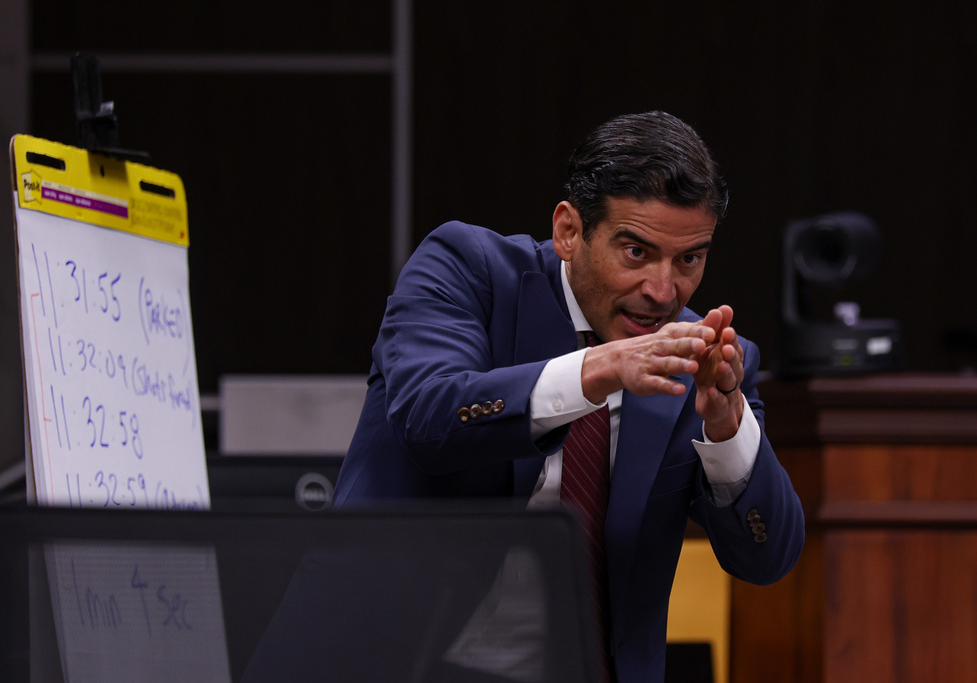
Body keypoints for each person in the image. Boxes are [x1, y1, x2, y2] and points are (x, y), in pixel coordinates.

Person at [332, 111, 805, 682]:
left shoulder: (709, 358)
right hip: (398, 663)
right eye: (635, 252)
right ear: (569, 231)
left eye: (689, 259)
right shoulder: (467, 271)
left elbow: (766, 559)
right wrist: (594, 371)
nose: (663, 292)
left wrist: (729, 433)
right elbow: (430, 419)